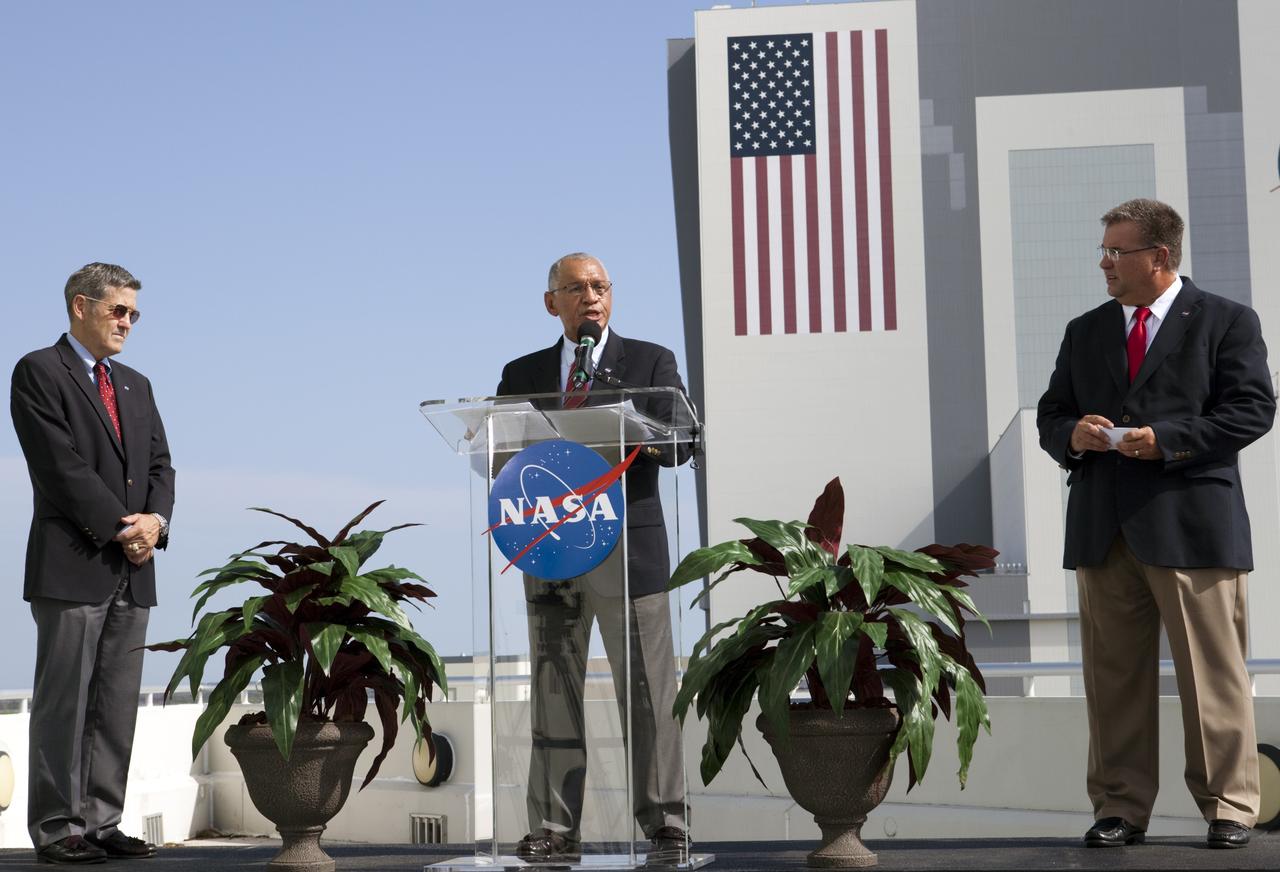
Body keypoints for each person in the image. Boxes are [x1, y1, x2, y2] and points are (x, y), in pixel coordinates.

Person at [1037, 199, 1273, 850]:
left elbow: (1252, 411)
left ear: (1159, 257)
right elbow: (1051, 415)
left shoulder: (1226, 321)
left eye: (1117, 251)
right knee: (1112, 679)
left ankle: (1229, 806)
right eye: (1105, 250)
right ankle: (1120, 807)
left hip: (1193, 526)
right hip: (1102, 530)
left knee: (1213, 677)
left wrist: (1164, 439)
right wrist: (1074, 435)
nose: (1105, 263)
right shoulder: (1085, 330)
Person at [495, 252, 691, 864]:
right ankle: (554, 828)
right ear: (551, 302)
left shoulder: (650, 362)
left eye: (600, 286)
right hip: (551, 549)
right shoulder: (521, 372)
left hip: (631, 550)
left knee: (650, 696)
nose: (591, 297)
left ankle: (666, 825)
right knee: (555, 692)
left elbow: (684, 440)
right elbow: (501, 456)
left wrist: (626, 418)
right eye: (576, 288)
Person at [11, 262, 176, 865]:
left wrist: (155, 524)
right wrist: (121, 528)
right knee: (65, 703)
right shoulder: (37, 371)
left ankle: (102, 823)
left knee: (114, 705)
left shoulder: (136, 382)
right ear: (81, 306)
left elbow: (161, 465)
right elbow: (59, 467)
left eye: (134, 313)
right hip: (72, 563)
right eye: (119, 310)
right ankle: (58, 828)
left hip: (134, 569)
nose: (128, 322)